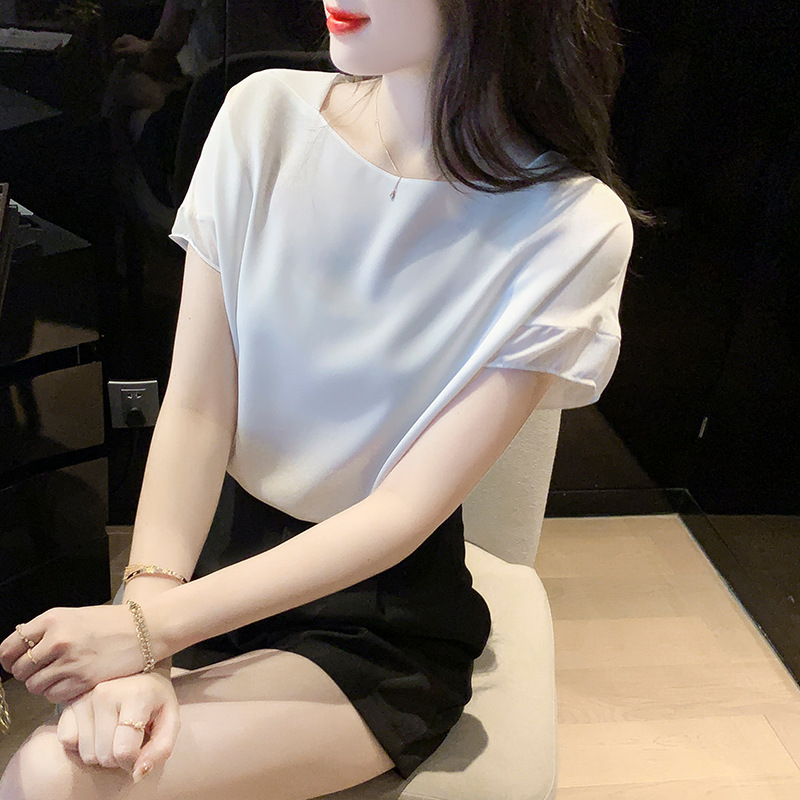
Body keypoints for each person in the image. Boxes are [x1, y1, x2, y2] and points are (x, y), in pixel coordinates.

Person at [0, 1, 650, 798]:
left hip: (374, 615)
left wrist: (145, 631)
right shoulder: (261, 116)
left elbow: (402, 513)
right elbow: (197, 411)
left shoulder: (571, 227)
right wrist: (149, 621)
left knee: (47, 777)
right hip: (201, 557)